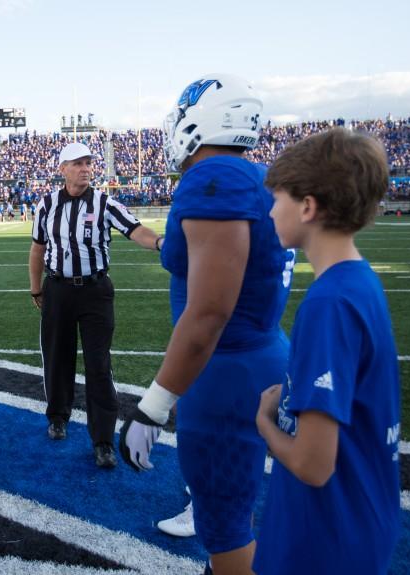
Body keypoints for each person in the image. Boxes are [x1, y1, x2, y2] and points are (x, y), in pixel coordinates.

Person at [118, 74, 294, 574]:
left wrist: (154, 405)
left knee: (226, 527)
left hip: (224, 371)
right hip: (259, 354)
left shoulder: (214, 179)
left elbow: (209, 311)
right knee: (236, 513)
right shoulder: (259, 176)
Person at [253, 127, 400, 575]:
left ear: (308, 206)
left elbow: (313, 466)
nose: (271, 210)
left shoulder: (328, 303)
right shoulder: (360, 281)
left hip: (323, 539)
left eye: (277, 198)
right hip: (356, 521)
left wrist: (263, 423)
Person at [29, 141, 162, 468]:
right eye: (78, 163)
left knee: (99, 364)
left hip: (95, 291)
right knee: (56, 357)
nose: (86, 168)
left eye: (89, 162)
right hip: (58, 288)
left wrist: (160, 242)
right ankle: (57, 417)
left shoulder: (105, 203)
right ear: (63, 169)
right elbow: (37, 248)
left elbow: (136, 230)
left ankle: (102, 440)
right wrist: (36, 289)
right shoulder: (46, 205)